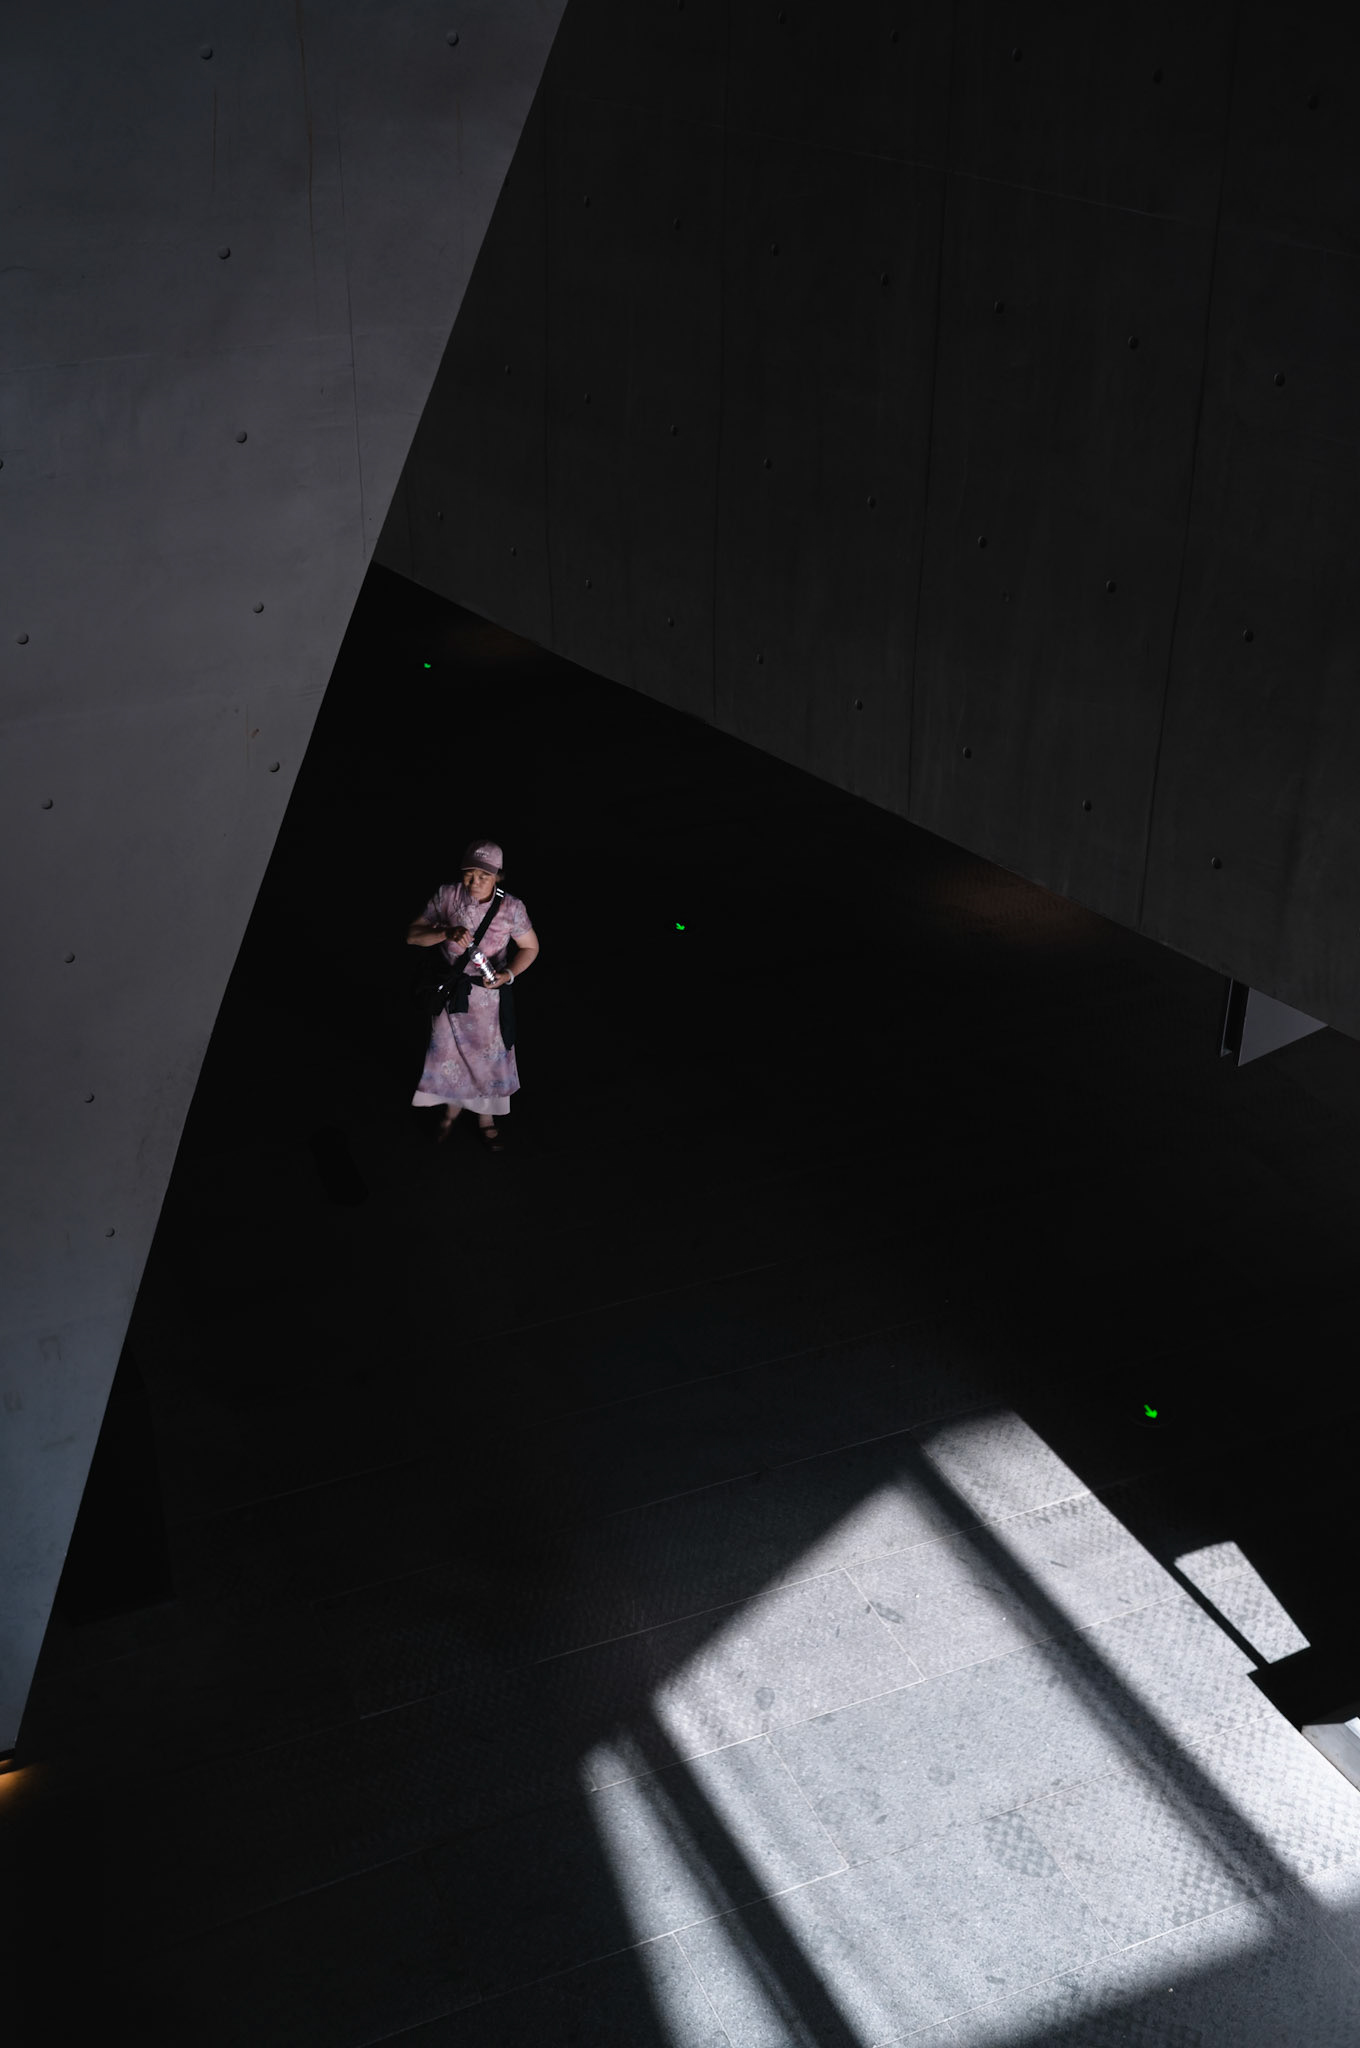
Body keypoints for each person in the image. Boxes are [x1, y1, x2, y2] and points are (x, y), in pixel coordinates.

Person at [406, 839, 539, 1150]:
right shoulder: (447, 896)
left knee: (488, 1060)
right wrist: (444, 933)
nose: (475, 882)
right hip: (452, 993)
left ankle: (485, 1119)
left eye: (485, 875)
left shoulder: (512, 908)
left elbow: (531, 948)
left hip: (488, 998)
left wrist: (507, 975)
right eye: (469, 874)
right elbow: (413, 935)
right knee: (449, 1057)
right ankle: (450, 1113)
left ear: (498, 876)